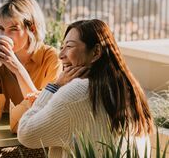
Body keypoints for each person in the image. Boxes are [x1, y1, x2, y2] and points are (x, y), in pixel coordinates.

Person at [18, 19, 154, 158]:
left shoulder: (76, 93)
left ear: (95, 52)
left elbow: (25, 134)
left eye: (69, 47)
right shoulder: (129, 88)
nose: (61, 55)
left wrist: (54, 87)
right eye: (62, 47)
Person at [0, 0, 62, 131]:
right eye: (1, 29)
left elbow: (45, 108)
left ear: (31, 29)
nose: (5, 35)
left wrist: (17, 69)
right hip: (6, 133)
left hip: (37, 134)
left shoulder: (52, 58)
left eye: (13, 29)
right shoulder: (0, 61)